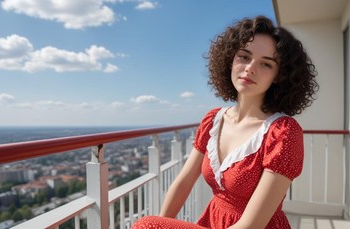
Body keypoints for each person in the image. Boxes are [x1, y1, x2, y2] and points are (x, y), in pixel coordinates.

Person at [132, 15, 318, 229]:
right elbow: (183, 183)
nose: (250, 68)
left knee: (145, 224)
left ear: (279, 76)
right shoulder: (213, 121)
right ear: (231, 59)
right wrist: (162, 224)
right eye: (244, 57)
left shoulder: (283, 133)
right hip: (213, 222)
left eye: (266, 64)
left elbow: (251, 225)